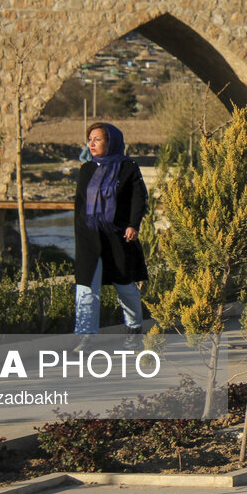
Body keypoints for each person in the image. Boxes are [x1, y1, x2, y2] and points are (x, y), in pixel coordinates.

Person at [73, 122, 149, 351]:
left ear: (111, 142)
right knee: (86, 290)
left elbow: (139, 199)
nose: (92, 144)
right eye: (90, 139)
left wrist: (133, 225)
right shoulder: (86, 169)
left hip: (118, 237)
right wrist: (80, 233)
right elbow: (79, 205)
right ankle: (85, 338)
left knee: (125, 288)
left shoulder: (128, 168)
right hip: (89, 238)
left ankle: (134, 329)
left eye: (98, 139)